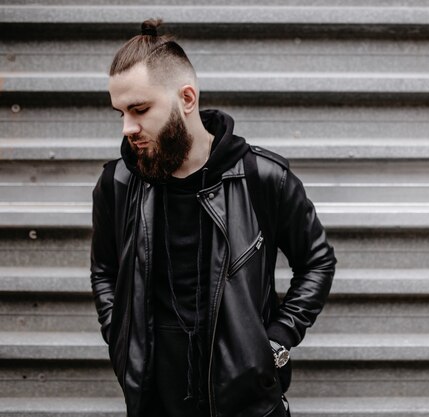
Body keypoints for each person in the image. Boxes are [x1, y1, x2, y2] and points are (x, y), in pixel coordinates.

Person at [90, 18, 336, 417]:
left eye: (139, 109)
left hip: (246, 399)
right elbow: (104, 269)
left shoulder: (262, 176)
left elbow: (318, 262)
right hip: (154, 400)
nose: (127, 128)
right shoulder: (118, 183)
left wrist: (276, 340)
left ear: (187, 98)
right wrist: (118, 333)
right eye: (120, 112)